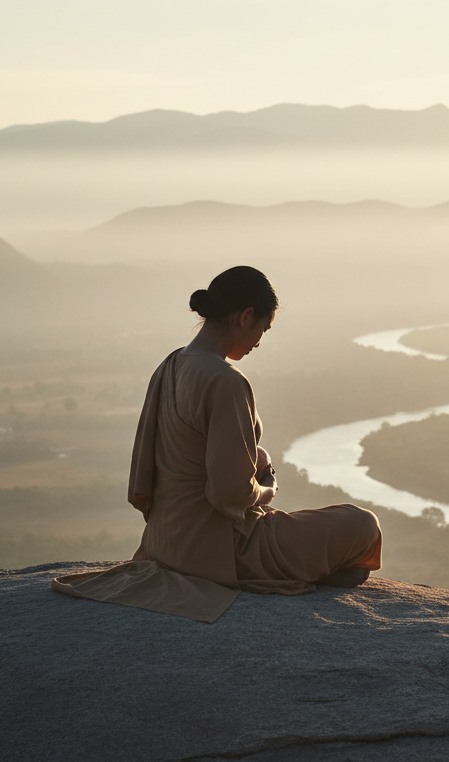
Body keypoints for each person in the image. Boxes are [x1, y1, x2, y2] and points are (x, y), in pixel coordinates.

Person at [52, 266, 382, 621]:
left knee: (315, 526)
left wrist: (253, 457)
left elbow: (161, 472)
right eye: (262, 330)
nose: (258, 341)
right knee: (362, 524)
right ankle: (300, 571)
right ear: (245, 317)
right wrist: (267, 484)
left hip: (164, 543)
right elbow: (229, 496)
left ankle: (310, 567)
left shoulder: (170, 366)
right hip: (222, 552)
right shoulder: (224, 381)